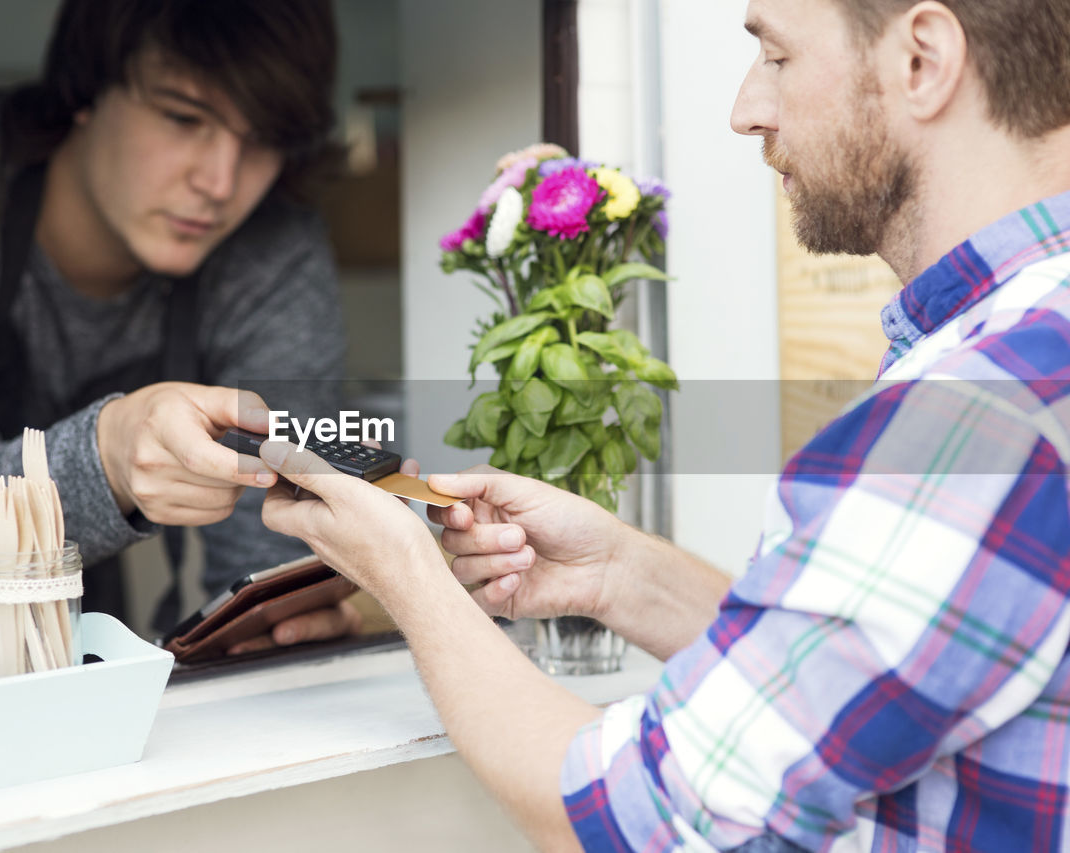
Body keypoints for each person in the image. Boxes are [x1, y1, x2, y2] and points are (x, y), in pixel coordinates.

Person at [253, 0, 1070, 849]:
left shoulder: (975, 411)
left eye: (779, 58)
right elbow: (856, 660)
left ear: (922, 61)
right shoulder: (1028, 352)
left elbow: (639, 818)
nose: (746, 109)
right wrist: (619, 573)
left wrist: (406, 571)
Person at [0, 0, 362, 648]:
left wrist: (268, 626)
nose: (219, 181)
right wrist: (108, 457)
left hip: (60, 607)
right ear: (86, 89)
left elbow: (269, 548)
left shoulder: (274, 241)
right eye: (183, 117)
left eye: (263, 138)